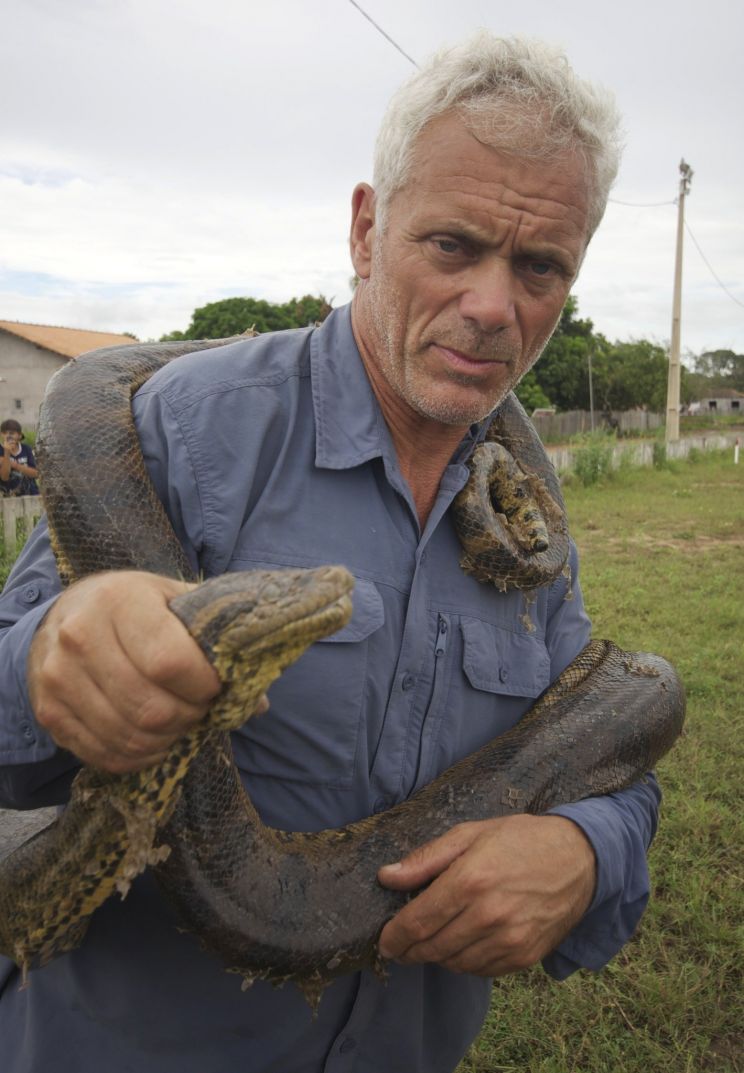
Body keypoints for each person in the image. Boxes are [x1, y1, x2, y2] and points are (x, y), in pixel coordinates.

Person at [0, 34, 661, 1073]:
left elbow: (600, 752)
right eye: (453, 245)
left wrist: (589, 852)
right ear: (367, 228)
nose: (495, 307)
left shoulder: (525, 514)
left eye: (539, 266)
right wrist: (47, 664)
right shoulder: (174, 432)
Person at [0, 419, 39, 496]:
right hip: (9, 496)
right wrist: (7, 453)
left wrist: (15, 465)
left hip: (31, 493)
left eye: (12, 433)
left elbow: (36, 474)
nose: (8, 436)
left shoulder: (26, 449)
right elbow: (4, 477)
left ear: (19, 435)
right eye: (5, 433)